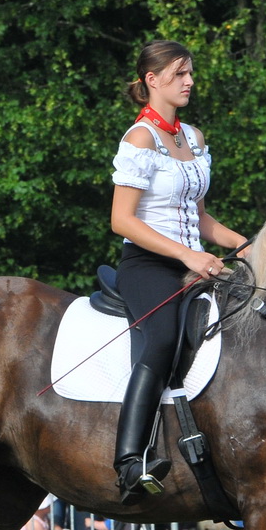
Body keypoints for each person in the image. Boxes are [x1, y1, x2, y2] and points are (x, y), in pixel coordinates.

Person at [108, 40, 247, 501]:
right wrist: (188, 256)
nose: (190, 82)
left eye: (190, 73)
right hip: (147, 265)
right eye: (179, 74)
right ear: (152, 80)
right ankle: (130, 461)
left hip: (195, 262)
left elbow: (201, 220)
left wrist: (246, 243)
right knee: (163, 338)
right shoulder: (139, 139)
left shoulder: (194, 138)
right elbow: (122, 220)